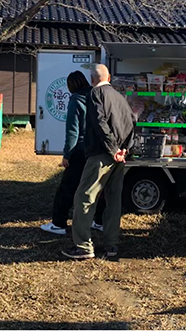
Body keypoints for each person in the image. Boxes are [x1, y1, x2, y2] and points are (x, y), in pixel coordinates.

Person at [62, 64, 135, 260]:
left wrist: (112, 149)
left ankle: (84, 246)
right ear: (109, 76)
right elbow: (131, 123)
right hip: (120, 156)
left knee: (84, 197)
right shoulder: (120, 97)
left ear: (92, 79)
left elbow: (100, 123)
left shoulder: (95, 95)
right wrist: (124, 149)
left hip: (102, 154)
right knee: (113, 201)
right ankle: (111, 245)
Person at [41, 71, 105, 235]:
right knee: (97, 187)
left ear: (71, 86)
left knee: (67, 188)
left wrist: (67, 155)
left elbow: (72, 132)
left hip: (80, 150)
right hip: (97, 149)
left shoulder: (76, 100)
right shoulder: (95, 96)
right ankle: (99, 221)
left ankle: (59, 223)